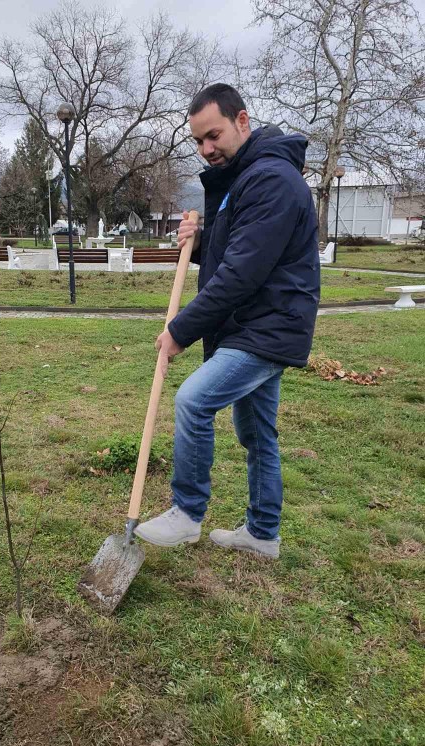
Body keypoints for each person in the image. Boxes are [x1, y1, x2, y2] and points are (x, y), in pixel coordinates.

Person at [135, 83, 320, 559]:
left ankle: (186, 512)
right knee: (257, 434)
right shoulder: (245, 179)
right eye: (198, 141)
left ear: (242, 121)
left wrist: (180, 330)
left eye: (213, 135)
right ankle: (262, 534)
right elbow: (231, 253)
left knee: (193, 401)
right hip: (254, 322)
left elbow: (242, 272)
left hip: (266, 326)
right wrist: (198, 244)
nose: (206, 148)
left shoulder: (272, 180)